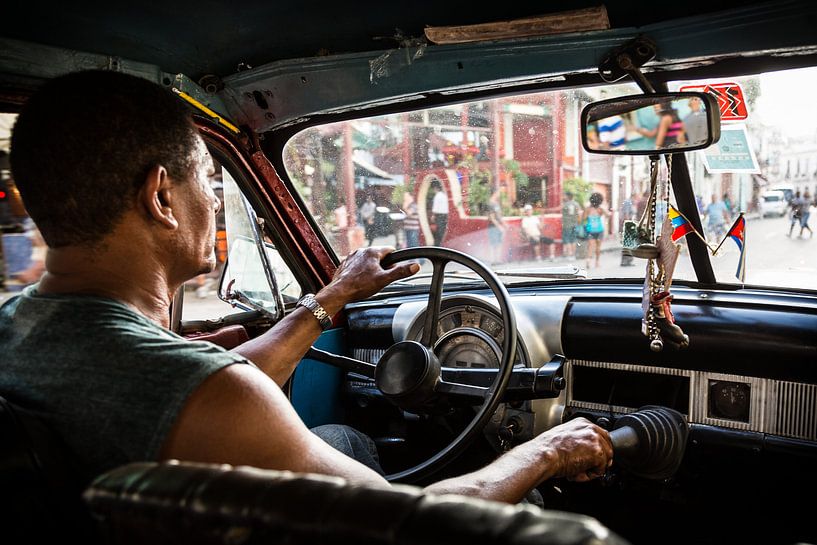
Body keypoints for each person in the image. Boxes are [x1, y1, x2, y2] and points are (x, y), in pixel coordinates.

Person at [0, 70, 612, 505]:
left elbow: (200, 387)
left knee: (341, 438)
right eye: (209, 181)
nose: (215, 199)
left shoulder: (19, 327)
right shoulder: (210, 396)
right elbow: (417, 524)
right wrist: (549, 451)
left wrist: (330, 299)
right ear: (161, 197)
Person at [581, 192, 610, 269]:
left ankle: (588, 260)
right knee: (598, 247)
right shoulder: (600, 209)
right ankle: (597, 262)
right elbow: (608, 215)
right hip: (599, 230)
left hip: (590, 230)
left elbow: (583, 219)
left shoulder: (587, 209)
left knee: (590, 246)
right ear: (600, 201)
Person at [486, 188, 507, 264]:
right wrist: (499, 227)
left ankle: (498, 260)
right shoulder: (490, 203)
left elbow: (499, 216)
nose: (499, 194)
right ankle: (492, 260)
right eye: (498, 192)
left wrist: (504, 224)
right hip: (493, 227)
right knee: (493, 244)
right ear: (494, 193)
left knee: (499, 243)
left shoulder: (496, 203)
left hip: (498, 227)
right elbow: (491, 218)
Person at [561, 191, 581, 258]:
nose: (563, 197)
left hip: (567, 224)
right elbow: (579, 214)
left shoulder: (565, 204)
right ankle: (573, 255)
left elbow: (557, 208)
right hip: (574, 224)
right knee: (573, 240)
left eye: (564, 196)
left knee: (567, 239)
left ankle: (569, 254)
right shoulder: (576, 204)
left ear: (568, 197)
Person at [431, 181, 448, 246]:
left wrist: (433, 216)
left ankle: (438, 245)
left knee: (439, 231)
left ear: (436, 188)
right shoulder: (444, 195)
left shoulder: (437, 196)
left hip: (439, 215)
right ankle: (443, 244)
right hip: (445, 215)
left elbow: (435, 208)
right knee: (443, 230)